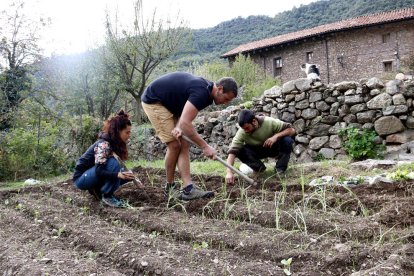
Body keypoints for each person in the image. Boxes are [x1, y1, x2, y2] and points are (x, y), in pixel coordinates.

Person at [141, 72, 238, 200]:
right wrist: (205, 146)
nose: (225, 103)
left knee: (185, 144)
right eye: (226, 99)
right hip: (155, 101)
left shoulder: (208, 93)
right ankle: (169, 189)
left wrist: (179, 127)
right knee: (174, 145)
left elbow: (185, 117)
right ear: (220, 89)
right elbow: (186, 123)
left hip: (171, 105)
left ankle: (188, 189)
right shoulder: (202, 93)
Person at [73, 110, 135, 208]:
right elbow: (99, 171)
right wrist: (118, 174)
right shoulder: (104, 144)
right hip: (81, 178)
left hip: (91, 174)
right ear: (118, 131)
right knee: (115, 165)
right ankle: (107, 195)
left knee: (127, 174)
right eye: (127, 132)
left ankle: (97, 190)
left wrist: (126, 175)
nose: (129, 135)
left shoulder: (115, 143)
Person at [226, 109, 296, 185]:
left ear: (254, 121)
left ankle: (280, 170)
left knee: (287, 140)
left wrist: (275, 136)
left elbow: (291, 130)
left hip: (273, 147)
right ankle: (258, 169)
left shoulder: (269, 122)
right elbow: (232, 152)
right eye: (243, 129)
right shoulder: (242, 132)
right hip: (257, 151)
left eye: (247, 128)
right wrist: (229, 172)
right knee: (239, 150)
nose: (245, 131)